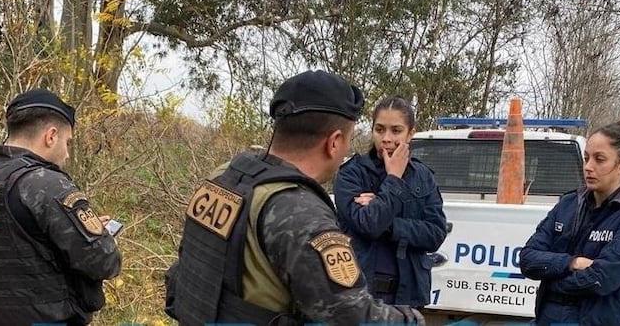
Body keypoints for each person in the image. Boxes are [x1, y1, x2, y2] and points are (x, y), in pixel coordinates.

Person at [164, 70, 425, 325]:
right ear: (334, 142)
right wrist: (412, 320)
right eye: (346, 140)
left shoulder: (226, 174)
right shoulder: (299, 210)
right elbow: (353, 315)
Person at [0, 89, 122, 326]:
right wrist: (101, 236)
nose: (67, 154)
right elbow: (104, 262)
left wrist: (79, 230)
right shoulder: (44, 182)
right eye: (67, 142)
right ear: (51, 136)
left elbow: (19, 245)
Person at [519, 113, 620, 326]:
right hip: (548, 317)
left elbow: (603, 277)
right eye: (586, 158)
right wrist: (571, 262)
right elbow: (527, 258)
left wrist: (552, 279)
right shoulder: (568, 204)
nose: (588, 167)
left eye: (599, 159)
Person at [334, 96, 447, 307]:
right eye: (379, 129)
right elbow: (368, 225)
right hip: (362, 297)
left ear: (410, 134)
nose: (386, 138)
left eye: (396, 131)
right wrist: (393, 179)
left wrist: (389, 223)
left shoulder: (423, 175)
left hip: (408, 296)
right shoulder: (351, 174)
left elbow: (435, 234)